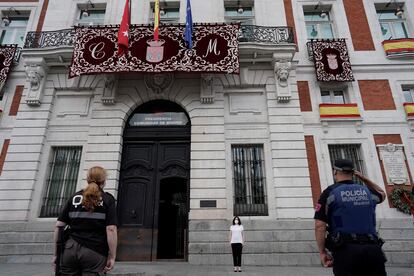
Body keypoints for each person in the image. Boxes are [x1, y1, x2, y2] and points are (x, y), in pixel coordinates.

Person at [314, 159, 387, 276]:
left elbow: (319, 225)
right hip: (373, 249)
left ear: (335, 172)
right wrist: (364, 178)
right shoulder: (367, 191)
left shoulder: (330, 192)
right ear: (353, 173)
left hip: (345, 251)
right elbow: (382, 193)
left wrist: (322, 252)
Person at [53, 166, 118, 275]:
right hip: (94, 250)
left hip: (70, 248)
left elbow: (59, 226)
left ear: (87, 179)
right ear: (104, 181)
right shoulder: (107, 199)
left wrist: (56, 254)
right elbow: (111, 229)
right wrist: (112, 256)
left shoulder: (74, 197)